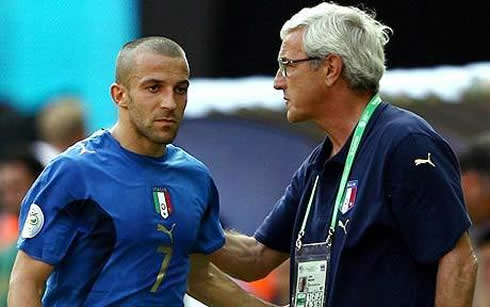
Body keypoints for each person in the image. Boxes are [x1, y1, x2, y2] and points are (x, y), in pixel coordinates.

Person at [211, 3, 478, 307]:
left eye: (287, 64)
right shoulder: (318, 164)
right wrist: (189, 225)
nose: (278, 81)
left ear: (330, 68)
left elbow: (459, 262)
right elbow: (255, 258)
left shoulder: (405, 142)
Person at [8, 36, 279, 307]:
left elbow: (197, 275)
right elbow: (26, 280)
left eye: (180, 89)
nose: (169, 103)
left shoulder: (194, 177)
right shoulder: (73, 172)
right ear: (119, 95)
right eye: (154, 88)